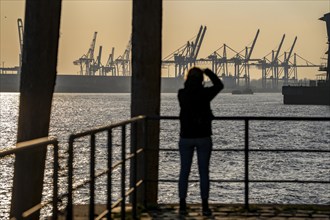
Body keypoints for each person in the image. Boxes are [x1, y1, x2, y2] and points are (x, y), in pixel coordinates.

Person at [177, 67, 223, 216]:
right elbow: (219, 86)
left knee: (184, 171)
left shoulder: (181, 94)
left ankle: (182, 205)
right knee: (204, 172)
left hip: (186, 136)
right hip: (203, 136)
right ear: (201, 79)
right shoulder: (205, 94)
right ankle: (205, 206)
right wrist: (209, 72)